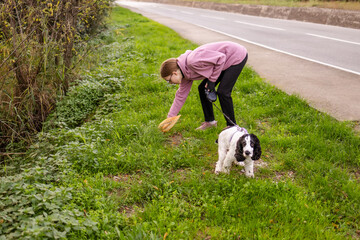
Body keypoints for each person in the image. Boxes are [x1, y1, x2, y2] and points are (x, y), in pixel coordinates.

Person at [160, 41, 248, 130]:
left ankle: (233, 127)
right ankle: (210, 122)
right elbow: (180, 96)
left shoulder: (193, 61)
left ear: (174, 73)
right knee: (203, 88)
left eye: (169, 80)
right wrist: (170, 118)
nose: (171, 83)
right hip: (222, 63)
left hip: (235, 55)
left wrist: (211, 81)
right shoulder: (184, 75)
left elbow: (221, 58)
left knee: (223, 92)